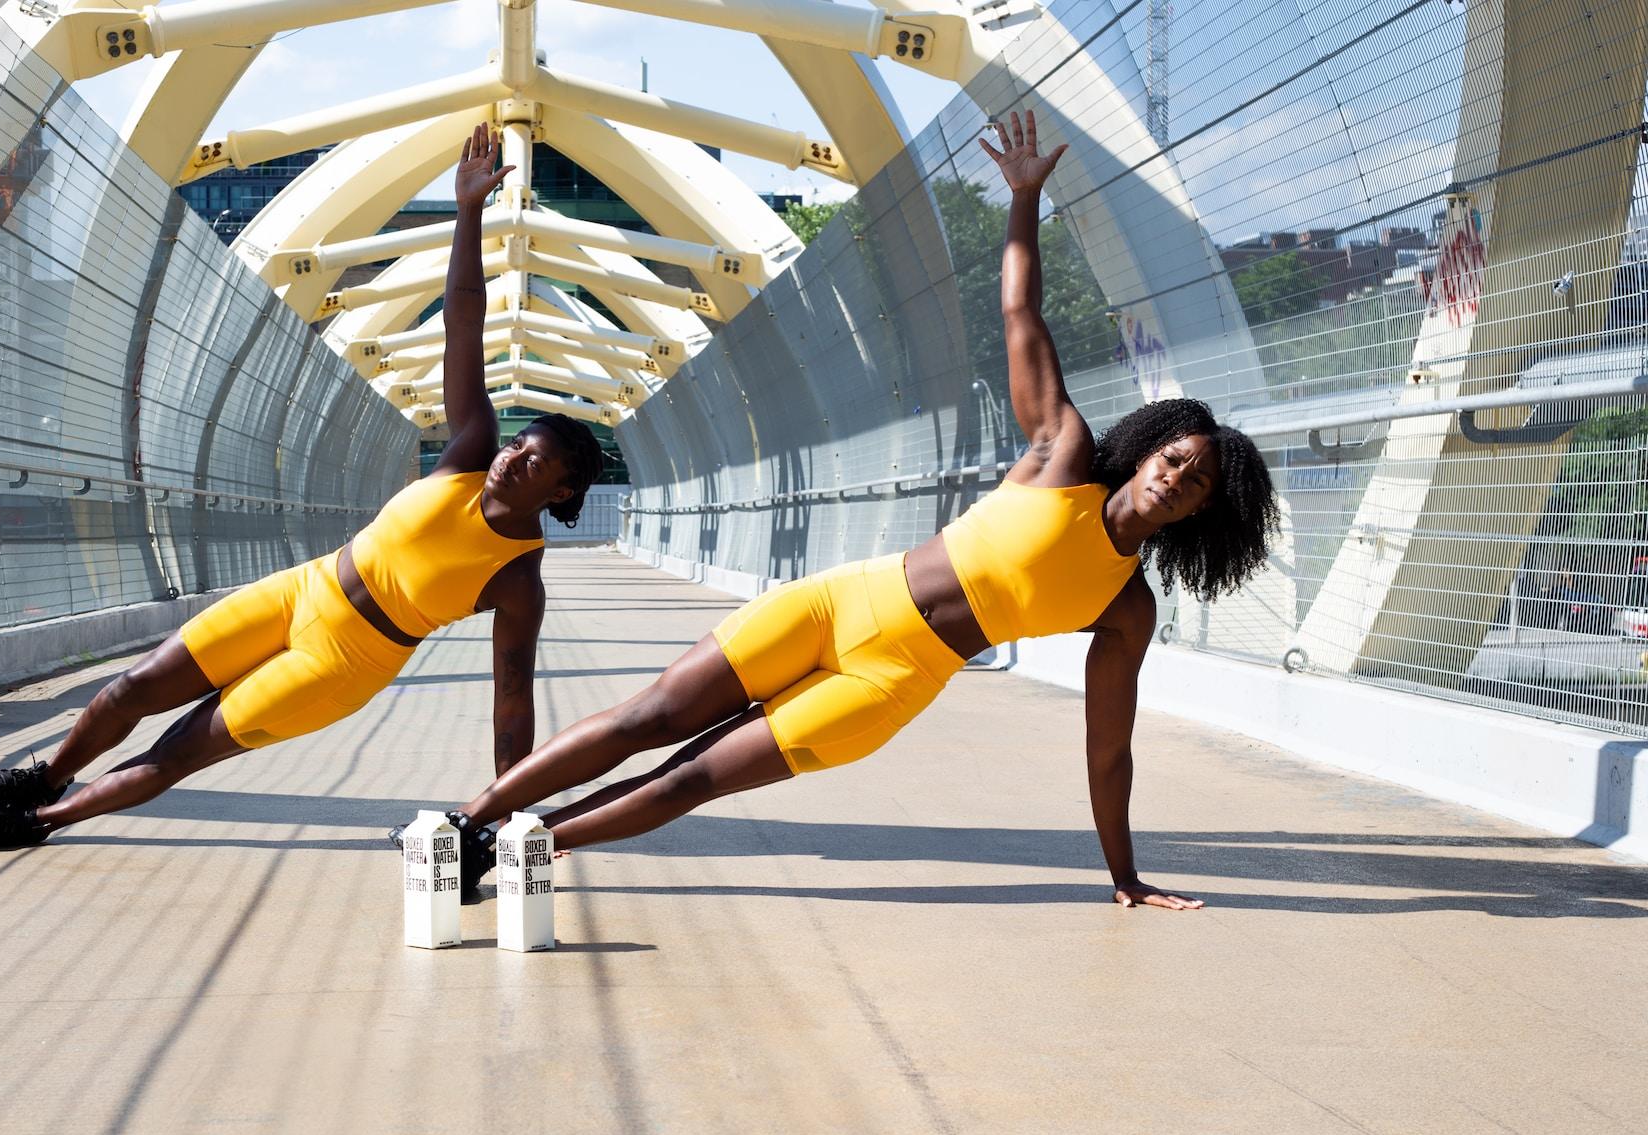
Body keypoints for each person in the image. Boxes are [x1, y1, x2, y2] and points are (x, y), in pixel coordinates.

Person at [427, 112, 1279, 910]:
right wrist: (1023, 198)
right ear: (1150, 447)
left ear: (1204, 513)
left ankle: (507, 857)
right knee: (646, 719)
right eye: (1177, 460)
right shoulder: (1060, 455)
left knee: (689, 779)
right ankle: (466, 822)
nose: (1179, 480)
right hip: (838, 602)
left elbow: (1108, 749)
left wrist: (1123, 872)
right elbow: (1022, 313)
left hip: (889, 682)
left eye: (1199, 485)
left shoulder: (1127, 605)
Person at [0, 122, 603, 885]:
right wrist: (466, 212)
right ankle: (43, 777)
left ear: (560, 490)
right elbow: (464, 322)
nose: (509, 460)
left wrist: (505, 804)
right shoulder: (468, 451)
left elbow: (510, 704)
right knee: (133, 688)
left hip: (340, 662)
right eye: (515, 445)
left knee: (179, 749)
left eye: (532, 464)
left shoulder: (518, 579)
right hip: (304, 587)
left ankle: (39, 821)